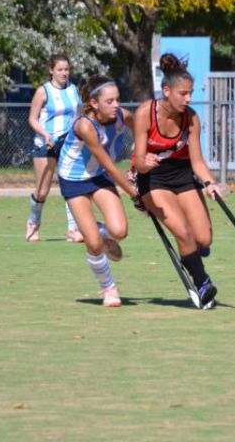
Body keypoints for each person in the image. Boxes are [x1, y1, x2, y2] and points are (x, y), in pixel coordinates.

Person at [133, 53, 221, 307]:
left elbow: (198, 162)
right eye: (183, 93)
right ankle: (203, 282)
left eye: (190, 93)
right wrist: (144, 163)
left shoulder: (191, 118)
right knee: (183, 232)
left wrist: (209, 183)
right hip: (153, 179)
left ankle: (193, 253)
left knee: (203, 239)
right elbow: (138, 160)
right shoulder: (145, 114)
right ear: (166, 90)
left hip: (182, 176)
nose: (189, 98)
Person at [57, 76, 140, 306]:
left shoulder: (122, 116)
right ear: (94, 103)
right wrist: (135, 195)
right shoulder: (85, 125)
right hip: (74, 180)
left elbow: (141, 133)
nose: (116, 105)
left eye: (117, 100)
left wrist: (140, 157)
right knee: (93, 244)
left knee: (120, 230)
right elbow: (111, 166)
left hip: (98, 176)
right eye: (109, 101)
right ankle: (109, 289)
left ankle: (103, 233)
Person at [25, 54, 83, 243]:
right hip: (46, 144)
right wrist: (45, 134)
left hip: (70, 145)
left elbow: (79, 115)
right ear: (51, 70)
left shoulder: (74, 89)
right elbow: (32, 119)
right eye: (60, 69)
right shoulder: (43, 91)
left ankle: (73, 229)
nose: (64, 73)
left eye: (66, 69)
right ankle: (33, 223)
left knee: (72, 186)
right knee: (43, 190)